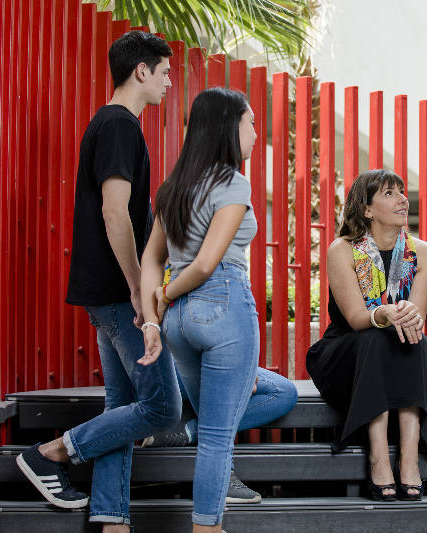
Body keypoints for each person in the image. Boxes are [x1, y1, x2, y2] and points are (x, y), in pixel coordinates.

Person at [16, 30, 180, 532]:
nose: (171, 83)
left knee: (123, 403)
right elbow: (115, 212)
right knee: (161, 407)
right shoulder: (118, 125)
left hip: (105, 290)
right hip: (115, 291)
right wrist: (137, 286)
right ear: (141, 71)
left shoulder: (113, 124)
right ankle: (53, 452)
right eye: (166, 72)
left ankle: (111, 517)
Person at [139, 86, 259, 532]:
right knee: (215, 437)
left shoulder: (174, 187)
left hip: (178, 322)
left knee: (212, 423)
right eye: (250, 123)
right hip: (223, 303)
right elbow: (208, 262)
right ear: (230, 126)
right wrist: (165, 295)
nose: (254, 132)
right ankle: (207, 528)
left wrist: (155, 318)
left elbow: (152, 258)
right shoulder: (233, 182)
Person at [306, 169, 427, 501]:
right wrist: (384, 313)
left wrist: (406, 315)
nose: (401, 199)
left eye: (401, 192)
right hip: (344, 353)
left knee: (412, 336)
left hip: (397, 351)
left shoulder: (421, 253)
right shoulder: (343, 250)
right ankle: (378, 455)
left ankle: (409, 458)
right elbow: (356, 319)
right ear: (367, 210)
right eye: (389, 193)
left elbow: (416, 318)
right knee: (375, 334)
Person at [143, 366, 298, 503]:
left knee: (283, 391)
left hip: (200, 358)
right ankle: (220, 475)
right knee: (277, 390)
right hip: (166, 362)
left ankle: (186, 429)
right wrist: (237, 371)